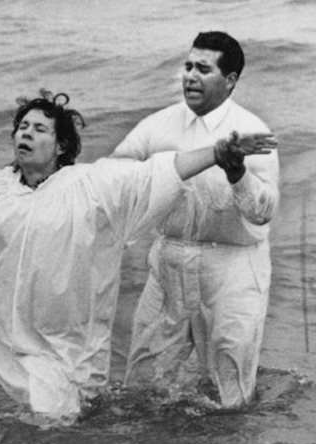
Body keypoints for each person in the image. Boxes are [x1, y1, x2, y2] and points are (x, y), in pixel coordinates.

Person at [0, 89, 277, 419]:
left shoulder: (90, 184)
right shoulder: (2, 190)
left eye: (39, 129)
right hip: (17, 339)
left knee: (54, 422)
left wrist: (217, 152)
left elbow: (157, 172)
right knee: (51, 422)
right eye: (22, 126)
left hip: (72, 342)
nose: (26, 133)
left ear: (61, 145)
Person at [113, 32, 280, 407]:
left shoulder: (252, 133)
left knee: (232, 390)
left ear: (230, 80)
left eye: (203, 69)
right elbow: (114, 176)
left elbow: (264, 211)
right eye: (188, 66)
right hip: (168, 263)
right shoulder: (157, 126)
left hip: (233, 268)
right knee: (141, 385)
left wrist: (237, 171)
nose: (190, 76)